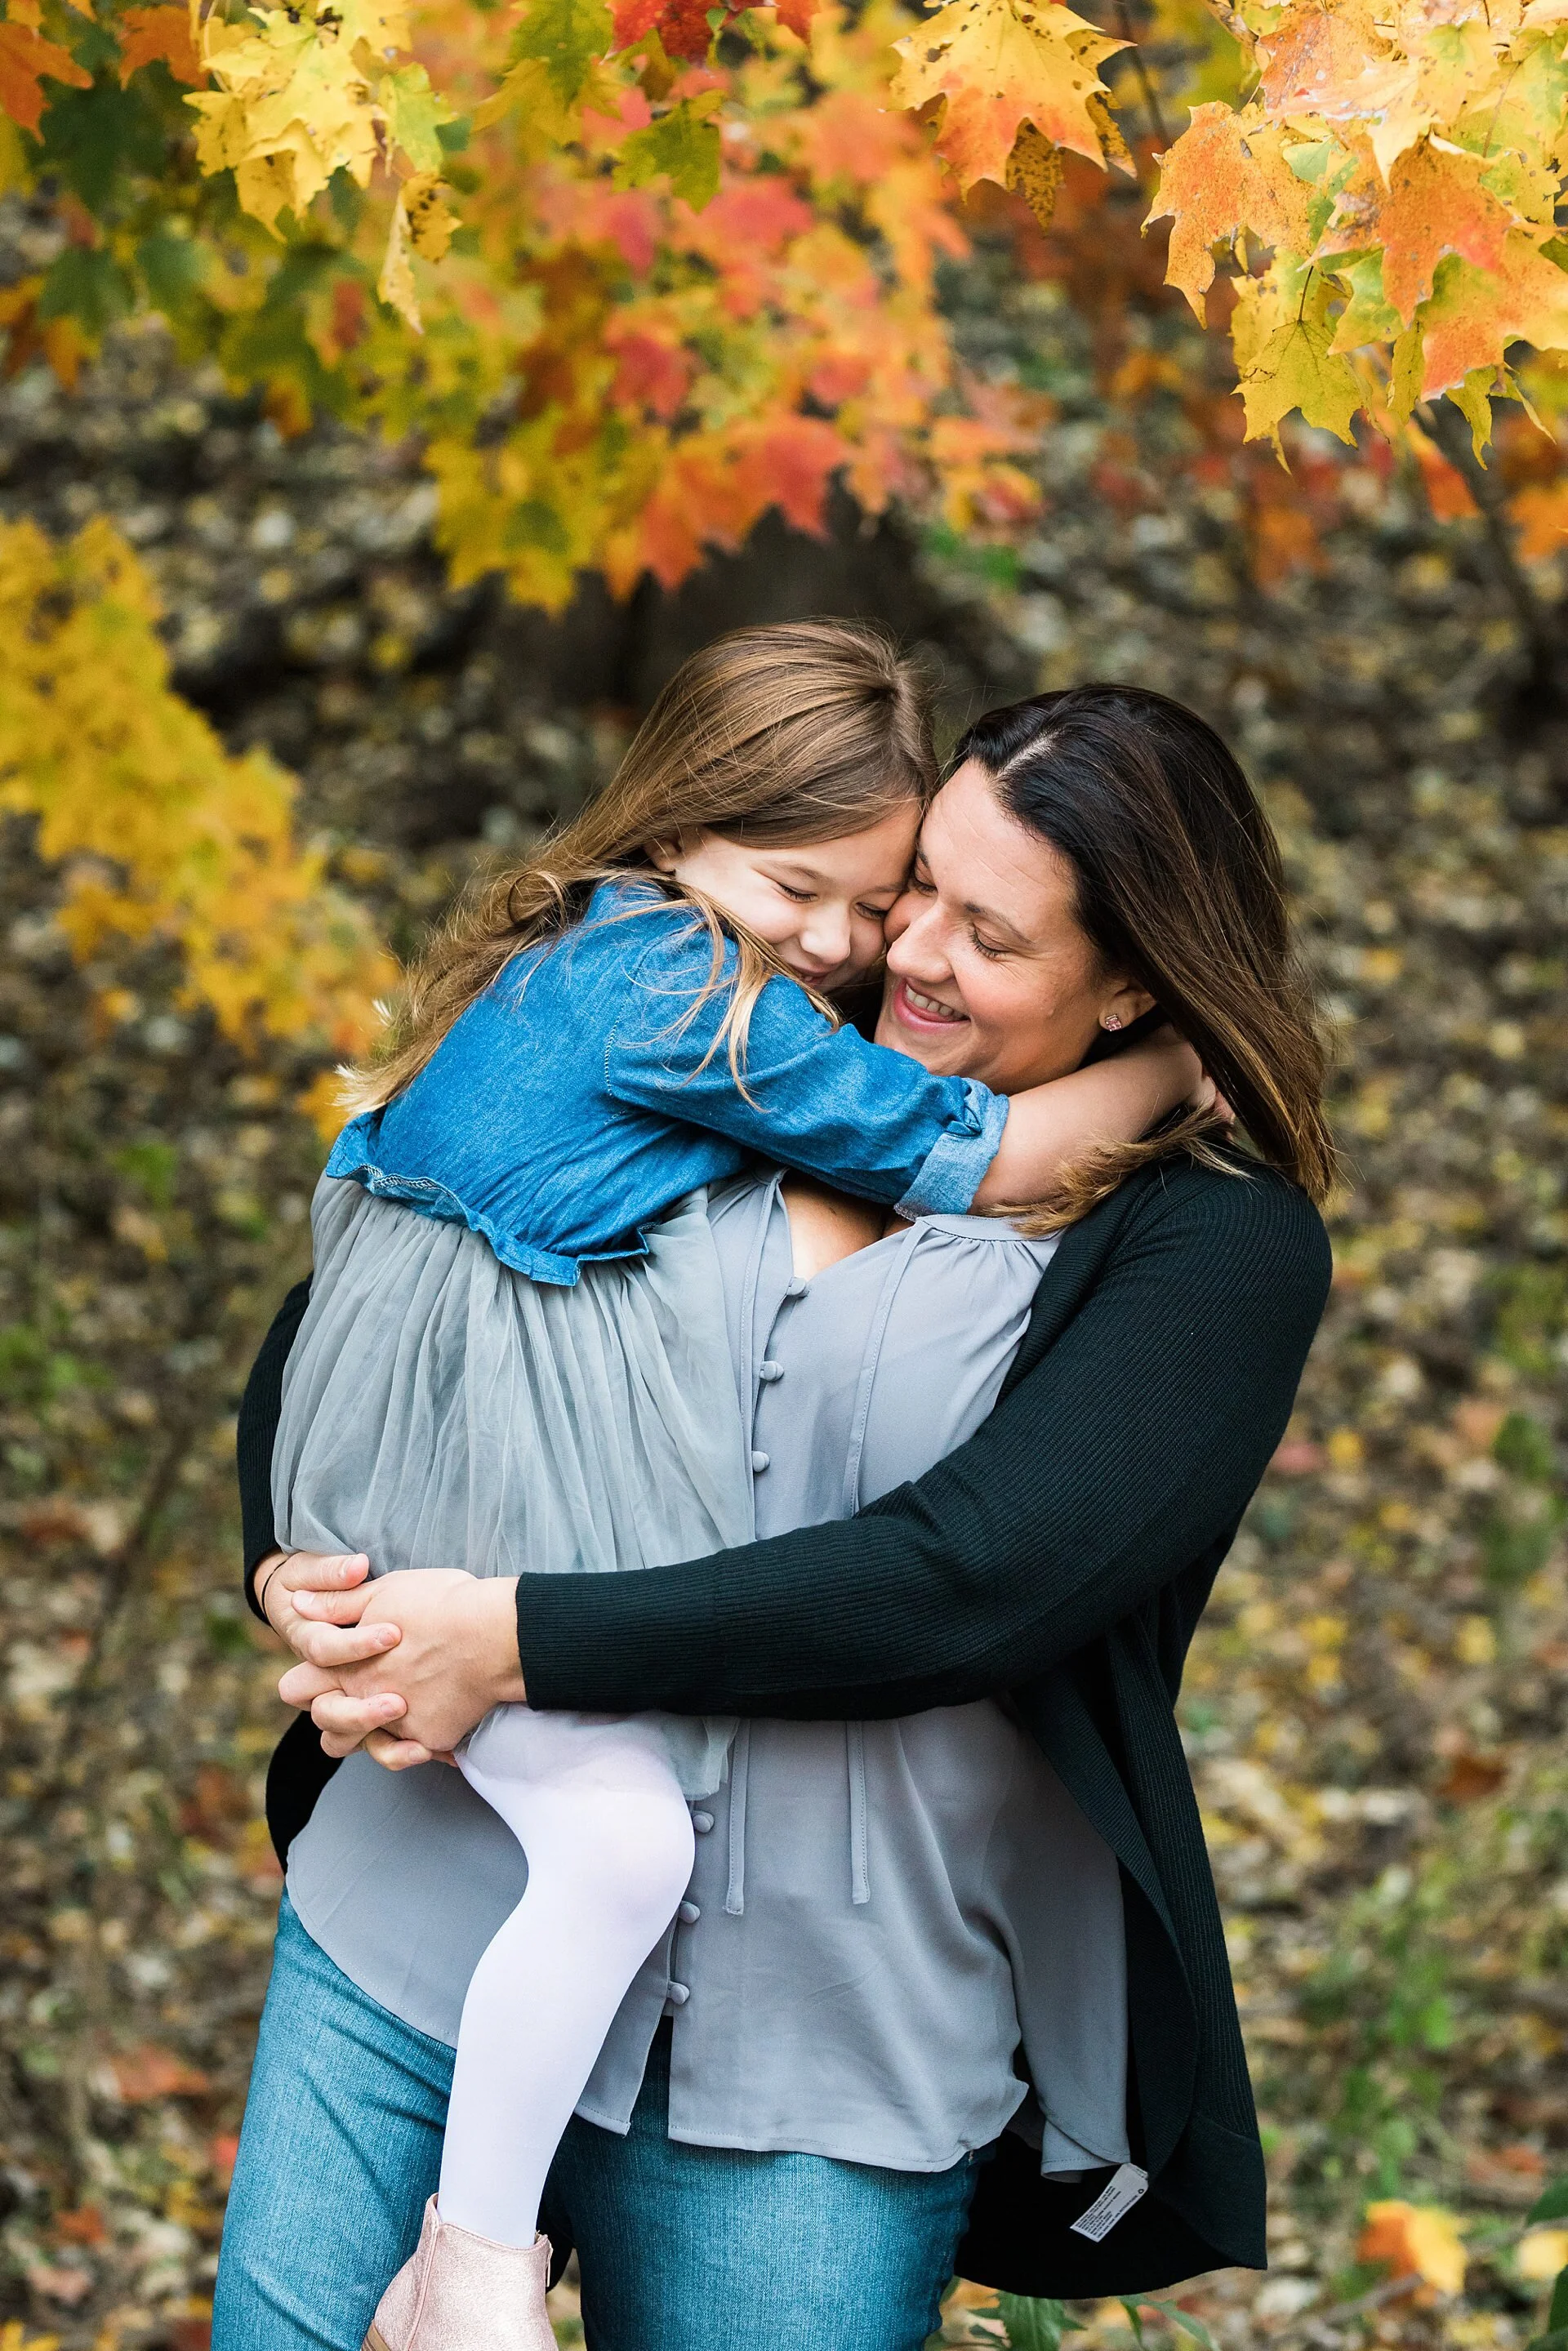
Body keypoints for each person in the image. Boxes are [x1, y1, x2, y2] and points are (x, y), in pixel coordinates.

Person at [218, 683, 1334, 2351]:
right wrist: (290, 1566)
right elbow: (368, 1302)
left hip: (806, 2052)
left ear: (1135, 981)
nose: (906, 950)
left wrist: (511, 1638)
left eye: (989, 930)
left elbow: (975, 1578)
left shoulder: (1207, 1247)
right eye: (916, 888)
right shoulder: (747, 1035)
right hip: (440, 1910)